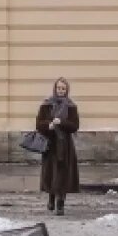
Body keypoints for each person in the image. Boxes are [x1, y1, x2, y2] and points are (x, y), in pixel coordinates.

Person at [35, 77, 80, 215]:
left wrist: (61, 122)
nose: (60, 91)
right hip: (50, 144)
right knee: (50, 173)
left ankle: (61, 202)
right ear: (55, 89)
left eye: (63, 89)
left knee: (62, 173)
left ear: (67, 90)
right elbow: (38, 124)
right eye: (58, 88)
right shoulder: (46, 104)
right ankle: (51, 198)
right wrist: (48, 125)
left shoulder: (71, 106)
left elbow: (75, 126)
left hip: (65, 145)